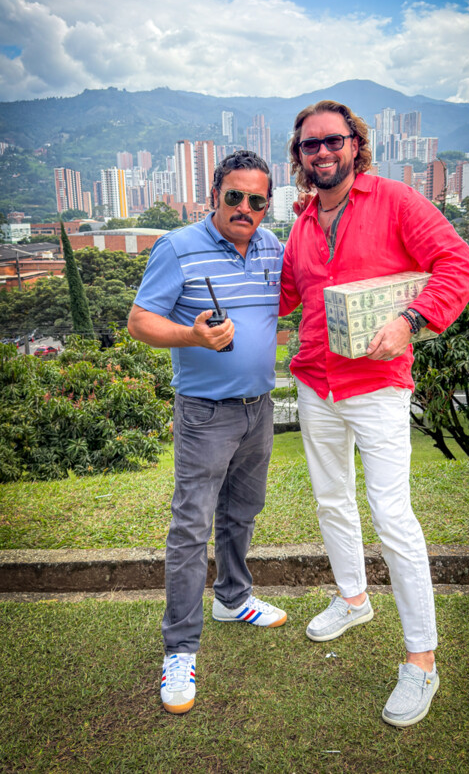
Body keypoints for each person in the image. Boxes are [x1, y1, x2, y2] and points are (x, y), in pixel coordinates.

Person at [280, 100, 469, 728]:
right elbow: (286, 294)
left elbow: (460, 264)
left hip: (377, 385)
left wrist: (411, 320)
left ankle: (422, 660)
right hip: (315, 381)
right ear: (299, 155)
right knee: (331, 500)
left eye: (333, 140)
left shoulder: (394, 200)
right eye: (310, 144)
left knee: (392, 516)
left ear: (355, 145)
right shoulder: (303, 220)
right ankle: (353, 598)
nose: (322, 152)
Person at [128, 150, 286, 715]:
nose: (245, 208)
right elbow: (140, 321)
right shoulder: (177, 247)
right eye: (234, 196)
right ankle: (179, 648)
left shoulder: (271, 246)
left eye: (257, 200)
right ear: (214, 194)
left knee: (242, 512)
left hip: (259, 408)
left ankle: (233, 598)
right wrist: (193, 337)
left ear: (268, 204)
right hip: (204, 413)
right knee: (191, 528)